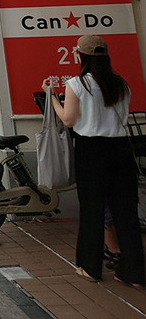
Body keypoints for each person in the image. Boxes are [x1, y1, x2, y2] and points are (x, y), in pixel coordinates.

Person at [43, 34, 144, 286]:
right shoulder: (121, 84)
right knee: (126, 213)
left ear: (80, 55)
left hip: (91, 151)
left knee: (92, 210)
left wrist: (52, 96)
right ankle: (134, 273)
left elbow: (68, 120)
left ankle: (90, 268)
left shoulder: (77, 84)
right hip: (121, 150)